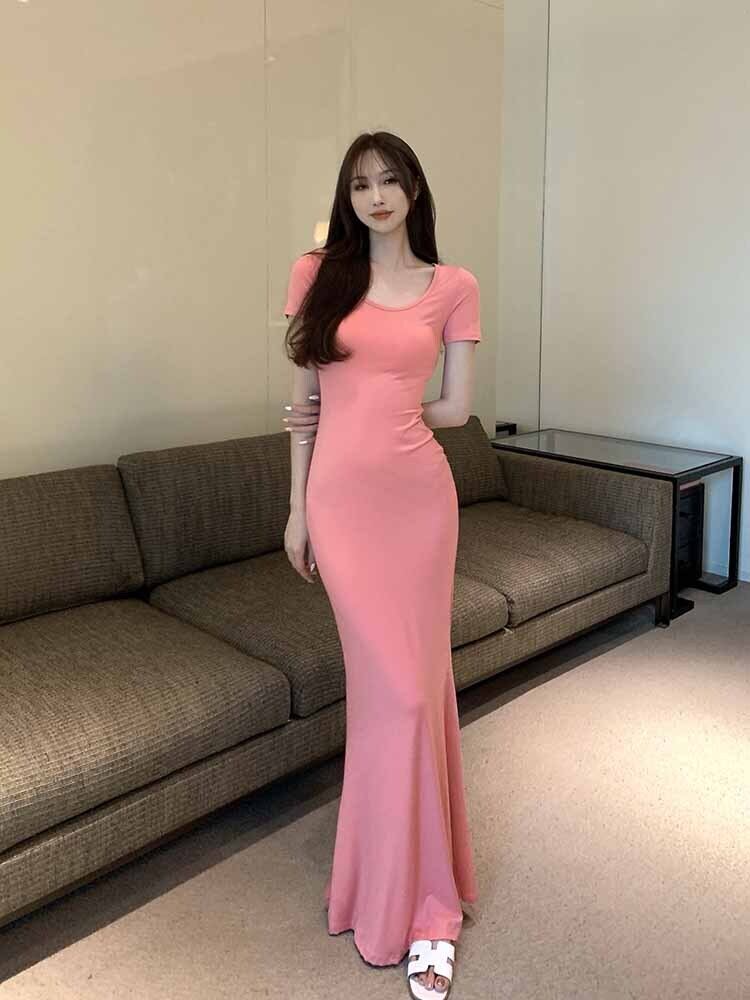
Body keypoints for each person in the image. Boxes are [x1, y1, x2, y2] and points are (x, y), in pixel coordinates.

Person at [282, 130, 481, 998]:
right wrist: (298, 508)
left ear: (414, 190)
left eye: (391, 180)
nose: (376, 195)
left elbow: (458, 408)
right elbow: (303, 407)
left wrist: (395, 415)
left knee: (415, 690)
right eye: (361, 183)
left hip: (420, 506)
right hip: (339, 508)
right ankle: (386, 884)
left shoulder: (454, 286)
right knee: (389, 694)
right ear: (348, 195)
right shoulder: (315, 274)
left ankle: (429, 907)